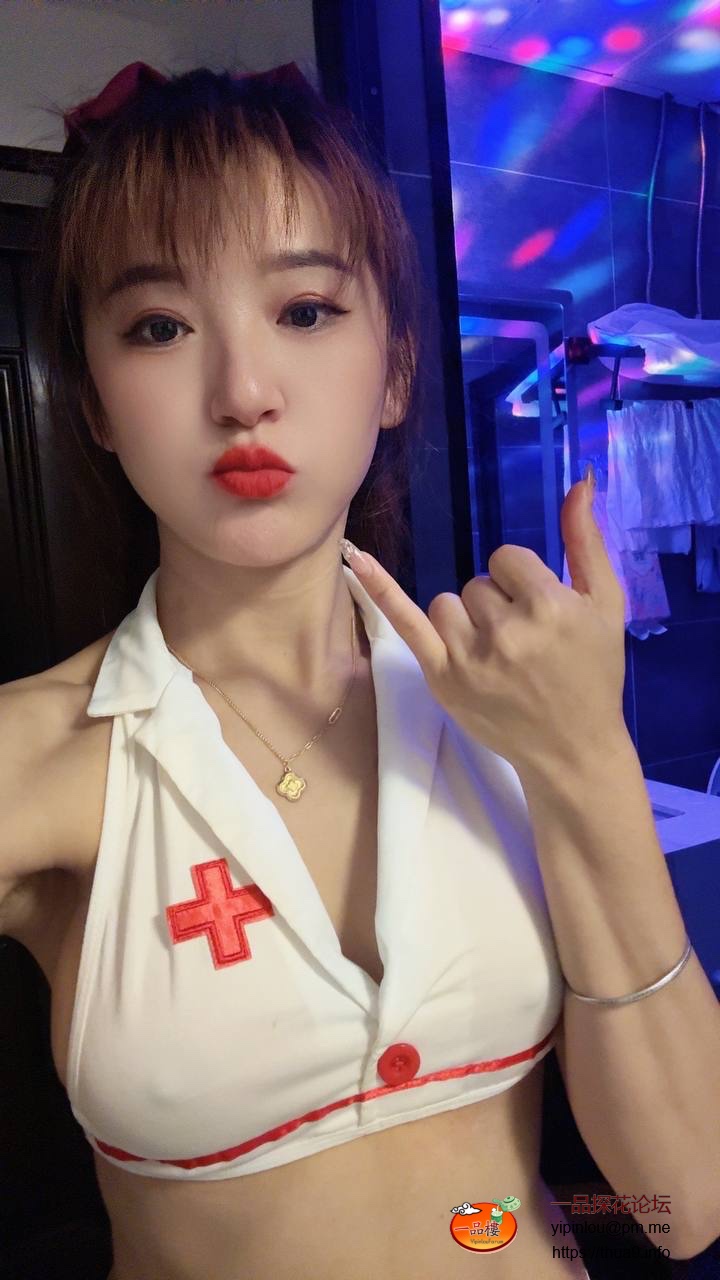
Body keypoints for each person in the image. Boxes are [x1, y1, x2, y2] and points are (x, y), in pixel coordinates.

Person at [2, 60, 618, 1280]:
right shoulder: (34, 755)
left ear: (395, 370)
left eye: (304, 311)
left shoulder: (512, 708)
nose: (243, 392)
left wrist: (588, 752)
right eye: (160, 326)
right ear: (98, 405)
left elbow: (687, 1198)